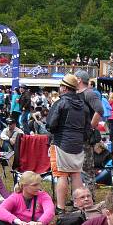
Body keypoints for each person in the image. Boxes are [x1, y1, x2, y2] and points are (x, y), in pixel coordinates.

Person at [45, 74, 89, 214]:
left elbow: (51, 124)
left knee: (62, 175)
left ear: (64, 88)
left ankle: (60, 207)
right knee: (76, 175)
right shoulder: (84, 105)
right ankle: (78, 205)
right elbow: (87, 128)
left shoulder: (60, 103)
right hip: (78, 144)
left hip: (61, 142)